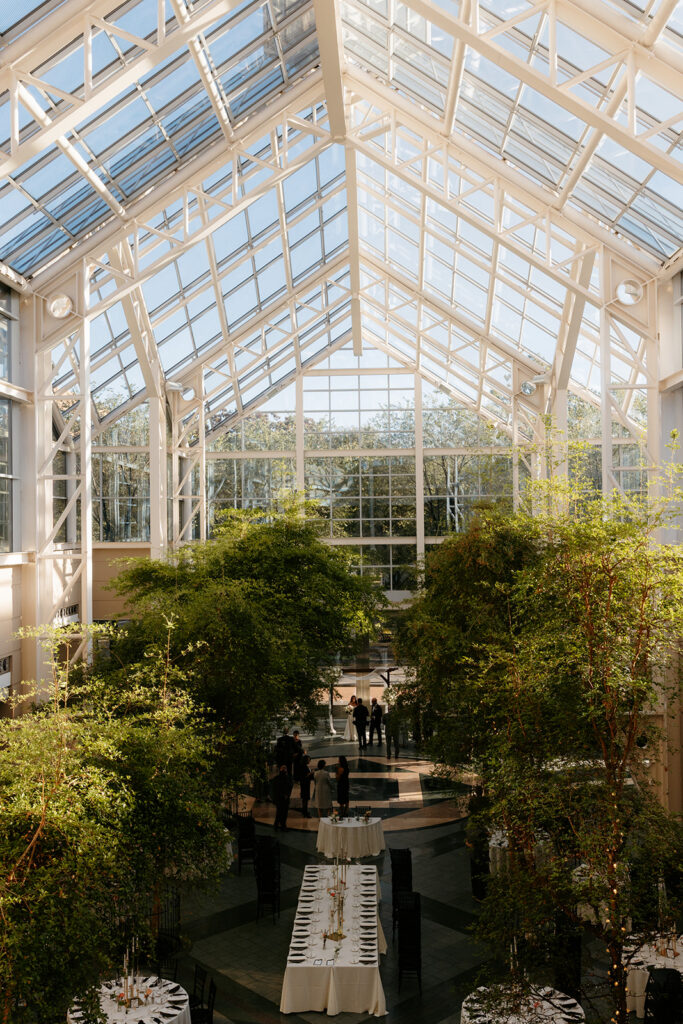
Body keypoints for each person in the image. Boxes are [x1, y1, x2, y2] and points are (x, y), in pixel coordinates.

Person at [274, 764, 293, 831]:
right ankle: (277, 825)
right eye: (283, 768)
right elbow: (276, 789)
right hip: (280, 798)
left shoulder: (287, 778)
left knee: (284, 813)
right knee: (279, 812)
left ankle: (282, 825)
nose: (284, 769)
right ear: (280, 769)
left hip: (285, 798)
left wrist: (287, 795)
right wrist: (283, 795)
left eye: (285, 768)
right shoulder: (278, 778)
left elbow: (290, 786)